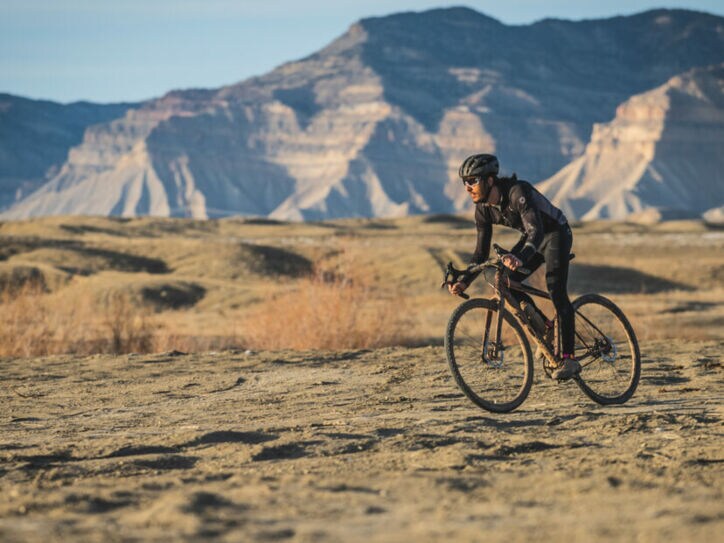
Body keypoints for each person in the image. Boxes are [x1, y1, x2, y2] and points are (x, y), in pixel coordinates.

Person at [449, 153, 580, 381]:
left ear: (490, 180)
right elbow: (481, 253)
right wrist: (464, 279)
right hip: (531, 239)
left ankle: (569, 358)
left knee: (556, 290)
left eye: (473, 181)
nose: (468, 187)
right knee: (498, 276)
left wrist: (521, 257)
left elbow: (536, 231)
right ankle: (545, 326)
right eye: (464, 182)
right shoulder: (483, 210)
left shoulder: (517, 192)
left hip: (555, 233)